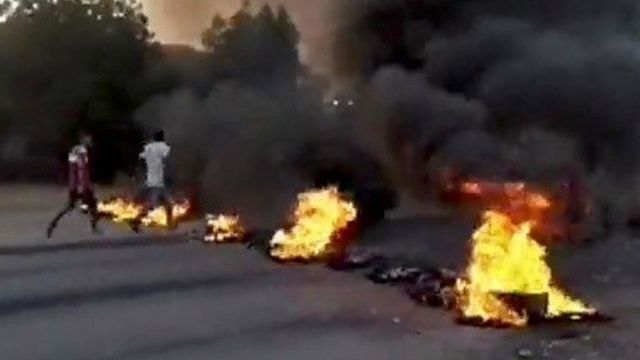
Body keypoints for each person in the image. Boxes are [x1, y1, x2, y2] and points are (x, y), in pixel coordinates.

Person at [47, 131, 101, 238]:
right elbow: (79, 170)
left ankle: (52, 225)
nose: (90, 141)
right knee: (75, 206)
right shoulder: (79, 152)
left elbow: (78, 169)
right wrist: (82, 187)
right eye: (88, 139)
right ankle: (52, 225)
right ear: (83, 139)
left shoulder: (78, 151)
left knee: (89, 206)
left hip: (80, 185)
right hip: (80, 186)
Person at [131, 130, 173, 232]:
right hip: (159, 181)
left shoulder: (148, 147)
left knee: (168, 204)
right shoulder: (164, 147)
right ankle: (136, 221)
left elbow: (140, 158)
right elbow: (167, 160)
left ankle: (169, 225)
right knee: (153, 205)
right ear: (162, 137)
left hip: (151, 179)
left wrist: (137, 172)